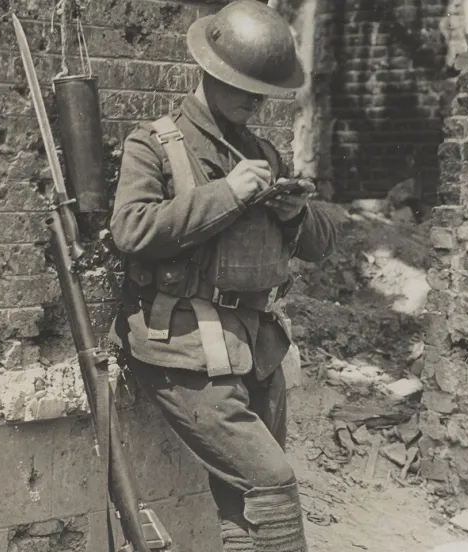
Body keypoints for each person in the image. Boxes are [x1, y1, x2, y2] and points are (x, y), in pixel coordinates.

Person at [109, 1, 337, 550]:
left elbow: (323, 245)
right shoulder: (155, 143)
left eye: (262, 93)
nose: (253, 102)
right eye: (243, 87)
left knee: (245, 505)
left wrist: (295, 214)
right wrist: (227, 193)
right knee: (272, 481)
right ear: (209, 72)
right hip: (183, 348)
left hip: (255, 349)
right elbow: (131, 230)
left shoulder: (262, 152)